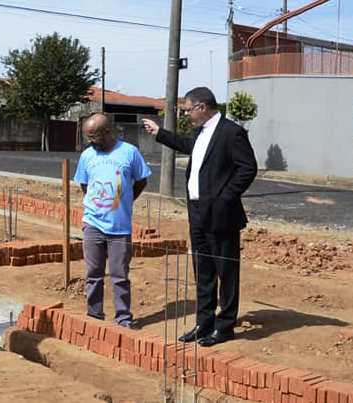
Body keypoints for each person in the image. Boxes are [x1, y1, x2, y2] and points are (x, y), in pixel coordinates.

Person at [142, 87, 257, 347]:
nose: (186, 114)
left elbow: (248, 168)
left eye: (188, 109)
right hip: (196, 211)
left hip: (221, 213)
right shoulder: (201, 132)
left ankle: (225, 326)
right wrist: (160, 133)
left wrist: (225, 197)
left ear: (203, 107)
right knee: (203, 269)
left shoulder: (231, 132)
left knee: (226, 270)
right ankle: (204, 323)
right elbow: (189, 147)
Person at [74, 113, 151, 328]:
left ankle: (123, 318)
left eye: (94, 136)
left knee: (119, 275)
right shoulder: (87, 156)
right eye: (88, 137)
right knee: (93, 274)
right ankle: (94, 315)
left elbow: (141, 181)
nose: (90, 141)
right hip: (93, 224)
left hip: (120, 226)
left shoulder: (129, 152)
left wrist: (124, 201)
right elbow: (84, 185)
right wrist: (98, 205)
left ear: (107, 132)